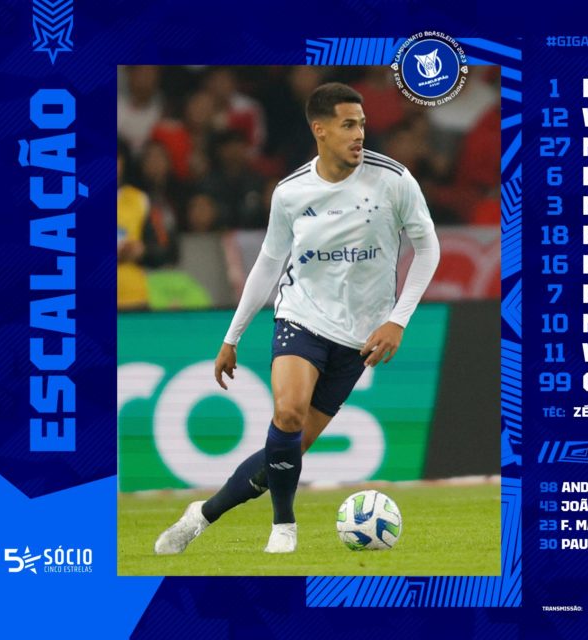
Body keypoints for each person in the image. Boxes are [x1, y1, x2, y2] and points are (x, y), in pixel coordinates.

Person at [154, 82, 441, 554]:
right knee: (287, 412)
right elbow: (268, 263)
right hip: (301, 316)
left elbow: (428, 249)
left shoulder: (393, 180)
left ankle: (201, 515)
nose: (359, 134)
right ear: (320, 130)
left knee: (288, 450)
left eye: (362, 125)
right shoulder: (291, 192)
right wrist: (232, 336)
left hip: (360, 336)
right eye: (348, 125)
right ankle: (284, 526)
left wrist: (398, 320)